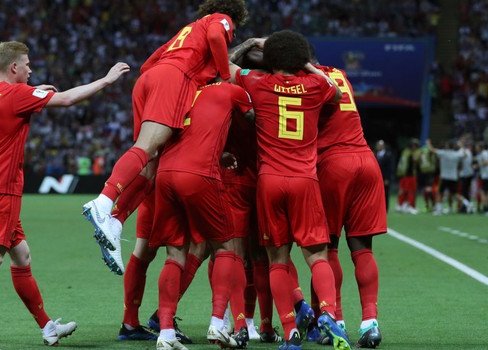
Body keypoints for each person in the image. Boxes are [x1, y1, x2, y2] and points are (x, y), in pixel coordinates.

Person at [0, 41, 130, 350]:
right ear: (13, 68)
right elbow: (66, 100)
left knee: (22, 256)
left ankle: (47, 327)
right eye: (27, 65)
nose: (31, 69)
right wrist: (106, 80)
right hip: (3, 188)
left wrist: (34, 91)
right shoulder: (19, 95)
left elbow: (15, 100)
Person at [81, 0, 249, 275]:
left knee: (150, 163)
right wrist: (222, 75)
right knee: (146, 148)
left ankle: (114, 221)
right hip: (174, 79)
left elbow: (148, 64)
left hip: (149, 80)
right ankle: (103, 201)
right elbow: (218, 36)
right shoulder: (219, 19)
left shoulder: (185, 32)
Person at [229, 31, 350, 350]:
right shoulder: (314, 87)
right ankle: (328, 314)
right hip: (304, 181)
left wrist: (252, 45)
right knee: (317, 255)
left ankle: (290, 333)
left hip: (269, 181)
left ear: (270, 60)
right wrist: (305, 65)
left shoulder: (257, 82)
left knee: (277, 260)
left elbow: (224, 65)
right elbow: (336, 93)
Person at [149, 81, 254, 350]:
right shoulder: (233, 90)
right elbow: (256, 120)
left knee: (175, 254)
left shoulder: (180, 91)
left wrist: (218, 153)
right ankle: (219, 323)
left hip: (166, 173)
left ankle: (166, 333)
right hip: (200, 175)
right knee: (227, 247)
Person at [312, 58, 387, 348]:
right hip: (366, 161)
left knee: (326, 247)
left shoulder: (306, 82)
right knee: (362, 249)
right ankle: (371, 323)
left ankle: (337, 322)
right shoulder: (339, 73)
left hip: (334, 163)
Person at [426, 139, 471, 215]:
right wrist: (463, 147)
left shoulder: (443, 153)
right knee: (455, 194)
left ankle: (439, 210)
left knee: (440, 193)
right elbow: (465, 155)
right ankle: (467, 204)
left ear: (447, 146)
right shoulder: (456, 154)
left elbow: (432, 150)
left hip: (444, 177)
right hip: (453, 177)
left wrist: (428, 143)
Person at [395, 138, 421, 214]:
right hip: (408, 175)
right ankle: (410, 206)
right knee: (410, 191)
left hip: (404, 174)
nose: (415, 147)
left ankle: (402, 205)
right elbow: (415, 161)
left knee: (404, 190)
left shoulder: (405, 152)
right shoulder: (411, 153)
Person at [374, 140, 394, 212]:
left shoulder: (388, 155)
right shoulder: (375, 154)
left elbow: (389, 168)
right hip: (376, 178)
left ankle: (385, 208)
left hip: (385, 178)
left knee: (385, 193)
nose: (378, 147)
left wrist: (387, 179)